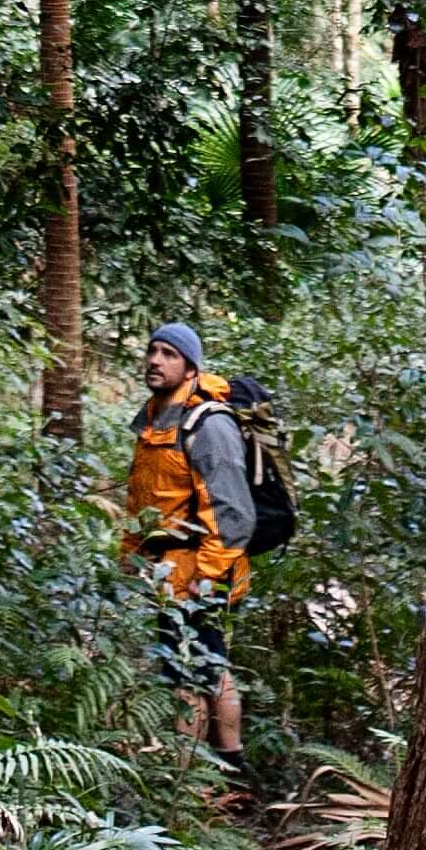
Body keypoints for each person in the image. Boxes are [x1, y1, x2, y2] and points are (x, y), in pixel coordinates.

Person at [125, 320, 257, 797]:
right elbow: (147, 501)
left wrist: (204, 581)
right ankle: (223, 779)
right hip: (169, 573)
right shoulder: (155, 418)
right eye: (153, 351)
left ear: (190, 367)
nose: (156, 361)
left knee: (194, 678)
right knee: (200, 672)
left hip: (203, 574)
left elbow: (233, 515)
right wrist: (132, 557)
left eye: (169, 354)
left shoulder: (208, 424)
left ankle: (198, 790)